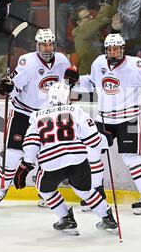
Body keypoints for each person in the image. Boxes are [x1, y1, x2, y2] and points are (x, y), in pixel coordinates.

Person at [68, 33, 141, 215]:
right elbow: (91, 83)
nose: (115, 52)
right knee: (93, 152)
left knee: (130, 157)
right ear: (106, 50)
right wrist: (75, 81)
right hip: (103, 120)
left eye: (118, 49)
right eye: (111, 49)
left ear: (123, 49)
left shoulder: (135, 65)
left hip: (129, 119)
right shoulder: (99, 63)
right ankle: (97, 195)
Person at [13, 82, 118, 235]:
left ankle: (66, 219)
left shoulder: (37, 116)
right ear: (68, 97)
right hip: (78, 162)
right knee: (86, 191)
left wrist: (26, 165)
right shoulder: (76, 110)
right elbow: (93, 140)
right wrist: (104, 140)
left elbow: (31, 143)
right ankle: (108, 218)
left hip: (51, 164)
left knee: (44, 190)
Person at [0, 28, 72, 207]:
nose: (47, 48)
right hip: (23, 113)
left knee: (48, 156)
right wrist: (8, 88)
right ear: (37, 46)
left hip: (48, 117)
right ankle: (2, 188)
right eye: (44, 45)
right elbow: (15, 86)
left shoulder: (63, 60)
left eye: (50, 44)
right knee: (12, 154)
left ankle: (45, 191)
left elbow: (68, 83)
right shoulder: (27, 62)